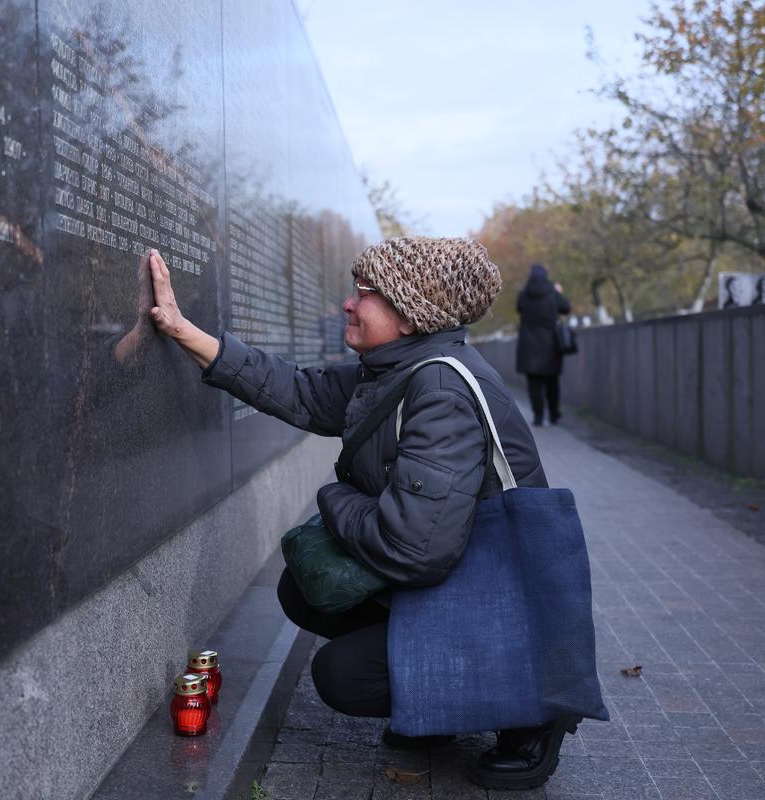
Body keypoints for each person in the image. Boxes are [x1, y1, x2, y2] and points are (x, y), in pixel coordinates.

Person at [147, 237, 579, 788]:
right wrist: (185, 332)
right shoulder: (397, 370)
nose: (349, 304)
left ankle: (533, 710)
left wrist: (333, 499)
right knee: (304, 589)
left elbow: (412, 550)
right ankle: (441, 704)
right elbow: (301, 393)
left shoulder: (440, 391)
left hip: (501, 610)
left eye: (366, 293)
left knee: (343, 677)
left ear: (410, 314)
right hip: (457, 580)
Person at [515, 264, 570, 426]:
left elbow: (519, 309)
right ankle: (554, 415)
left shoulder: (523, 295)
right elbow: (566, 308)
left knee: (533, 382)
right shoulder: (553, 293)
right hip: (550, 344)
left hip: (529, 345)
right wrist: (559, 292)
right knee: (552, 381)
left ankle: (538, 416)